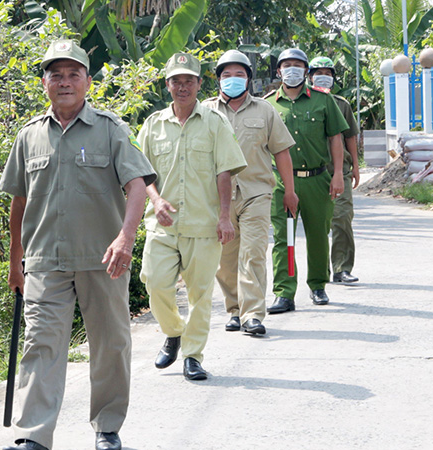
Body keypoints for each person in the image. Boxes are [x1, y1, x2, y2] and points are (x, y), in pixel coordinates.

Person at [0, 39, 155, 450]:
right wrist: (15, 262)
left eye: (73, 74)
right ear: (44, 82)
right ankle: (35, 440)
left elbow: (138, 185)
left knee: (110, 343)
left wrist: (126, 238)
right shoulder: (28, 136)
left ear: (88, 80)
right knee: (41, 343)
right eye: (56, 74)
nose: (64, 82)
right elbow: (18, 202)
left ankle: (107, 424)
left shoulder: (110, 129)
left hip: (104, 258)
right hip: (45, 260)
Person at [138, 52, 247, 380]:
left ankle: (193, 356)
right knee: (155, 282)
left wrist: (225, 216)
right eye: (176, 81)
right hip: (162, 223)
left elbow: (224, 171)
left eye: (189, 81)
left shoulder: (215, 123)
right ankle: (173, 332)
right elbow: (141, 173)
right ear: (167, 85)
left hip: (204, 223)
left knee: (201, 293)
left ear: (200, 84)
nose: (182, 87)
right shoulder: (153, 124)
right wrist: (156, 201)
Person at [201, 50, 297, 336]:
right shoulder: (206, 110)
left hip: (256, 193)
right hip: (218, 198)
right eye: (227, 75)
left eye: (239, 75)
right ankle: (233, 310)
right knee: (226, 259)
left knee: (253, 253)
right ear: (218, 80)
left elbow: (281, 152)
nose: (233, 80)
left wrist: (289, 192)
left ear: (249, 79)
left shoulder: (265, 110)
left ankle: (253, 314)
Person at [264, 48, 349, 312]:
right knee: (283, 237)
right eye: (287, 65)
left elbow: (336, 137)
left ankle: (318, 286)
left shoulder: (323, 101)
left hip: (317, 179)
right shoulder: (267, 105)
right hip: (280, 183)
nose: (292, 70)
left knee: (318, 235)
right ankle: (285, 292)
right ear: (278, 71)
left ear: (306, 71)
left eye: (298, 65)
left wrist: (337, 174)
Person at [308, 56, 361, 284]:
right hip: (311, 174)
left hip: (341, 172)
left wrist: (355, 167)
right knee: (317, 225)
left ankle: (342, 268)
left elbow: (350, 137)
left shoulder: (342, 104)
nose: (323, 77)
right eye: (318, 72)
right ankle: (317, 274)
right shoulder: (302, 102)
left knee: (341, 218)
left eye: (328, 73)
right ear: (309, 77)